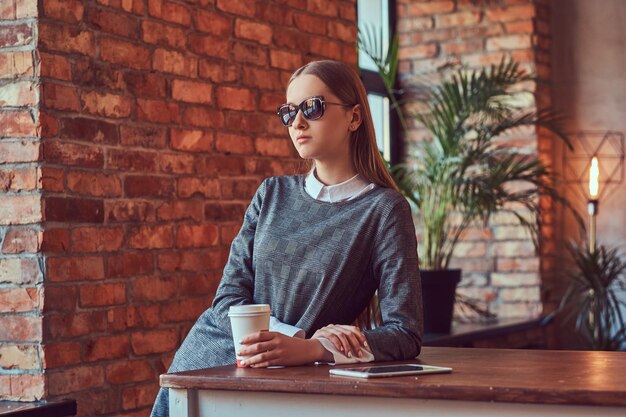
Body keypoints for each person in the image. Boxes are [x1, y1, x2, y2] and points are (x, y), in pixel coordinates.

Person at [150, 60, 422, 417]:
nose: (297, 122)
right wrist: (290, 338)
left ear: (354, 118)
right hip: (208, 357)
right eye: (290, 111)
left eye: (313, 107)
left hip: (290, 385)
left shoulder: (384, 210)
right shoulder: (271, 194)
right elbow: (227, 297)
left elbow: (405, 332)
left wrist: (315, 349)